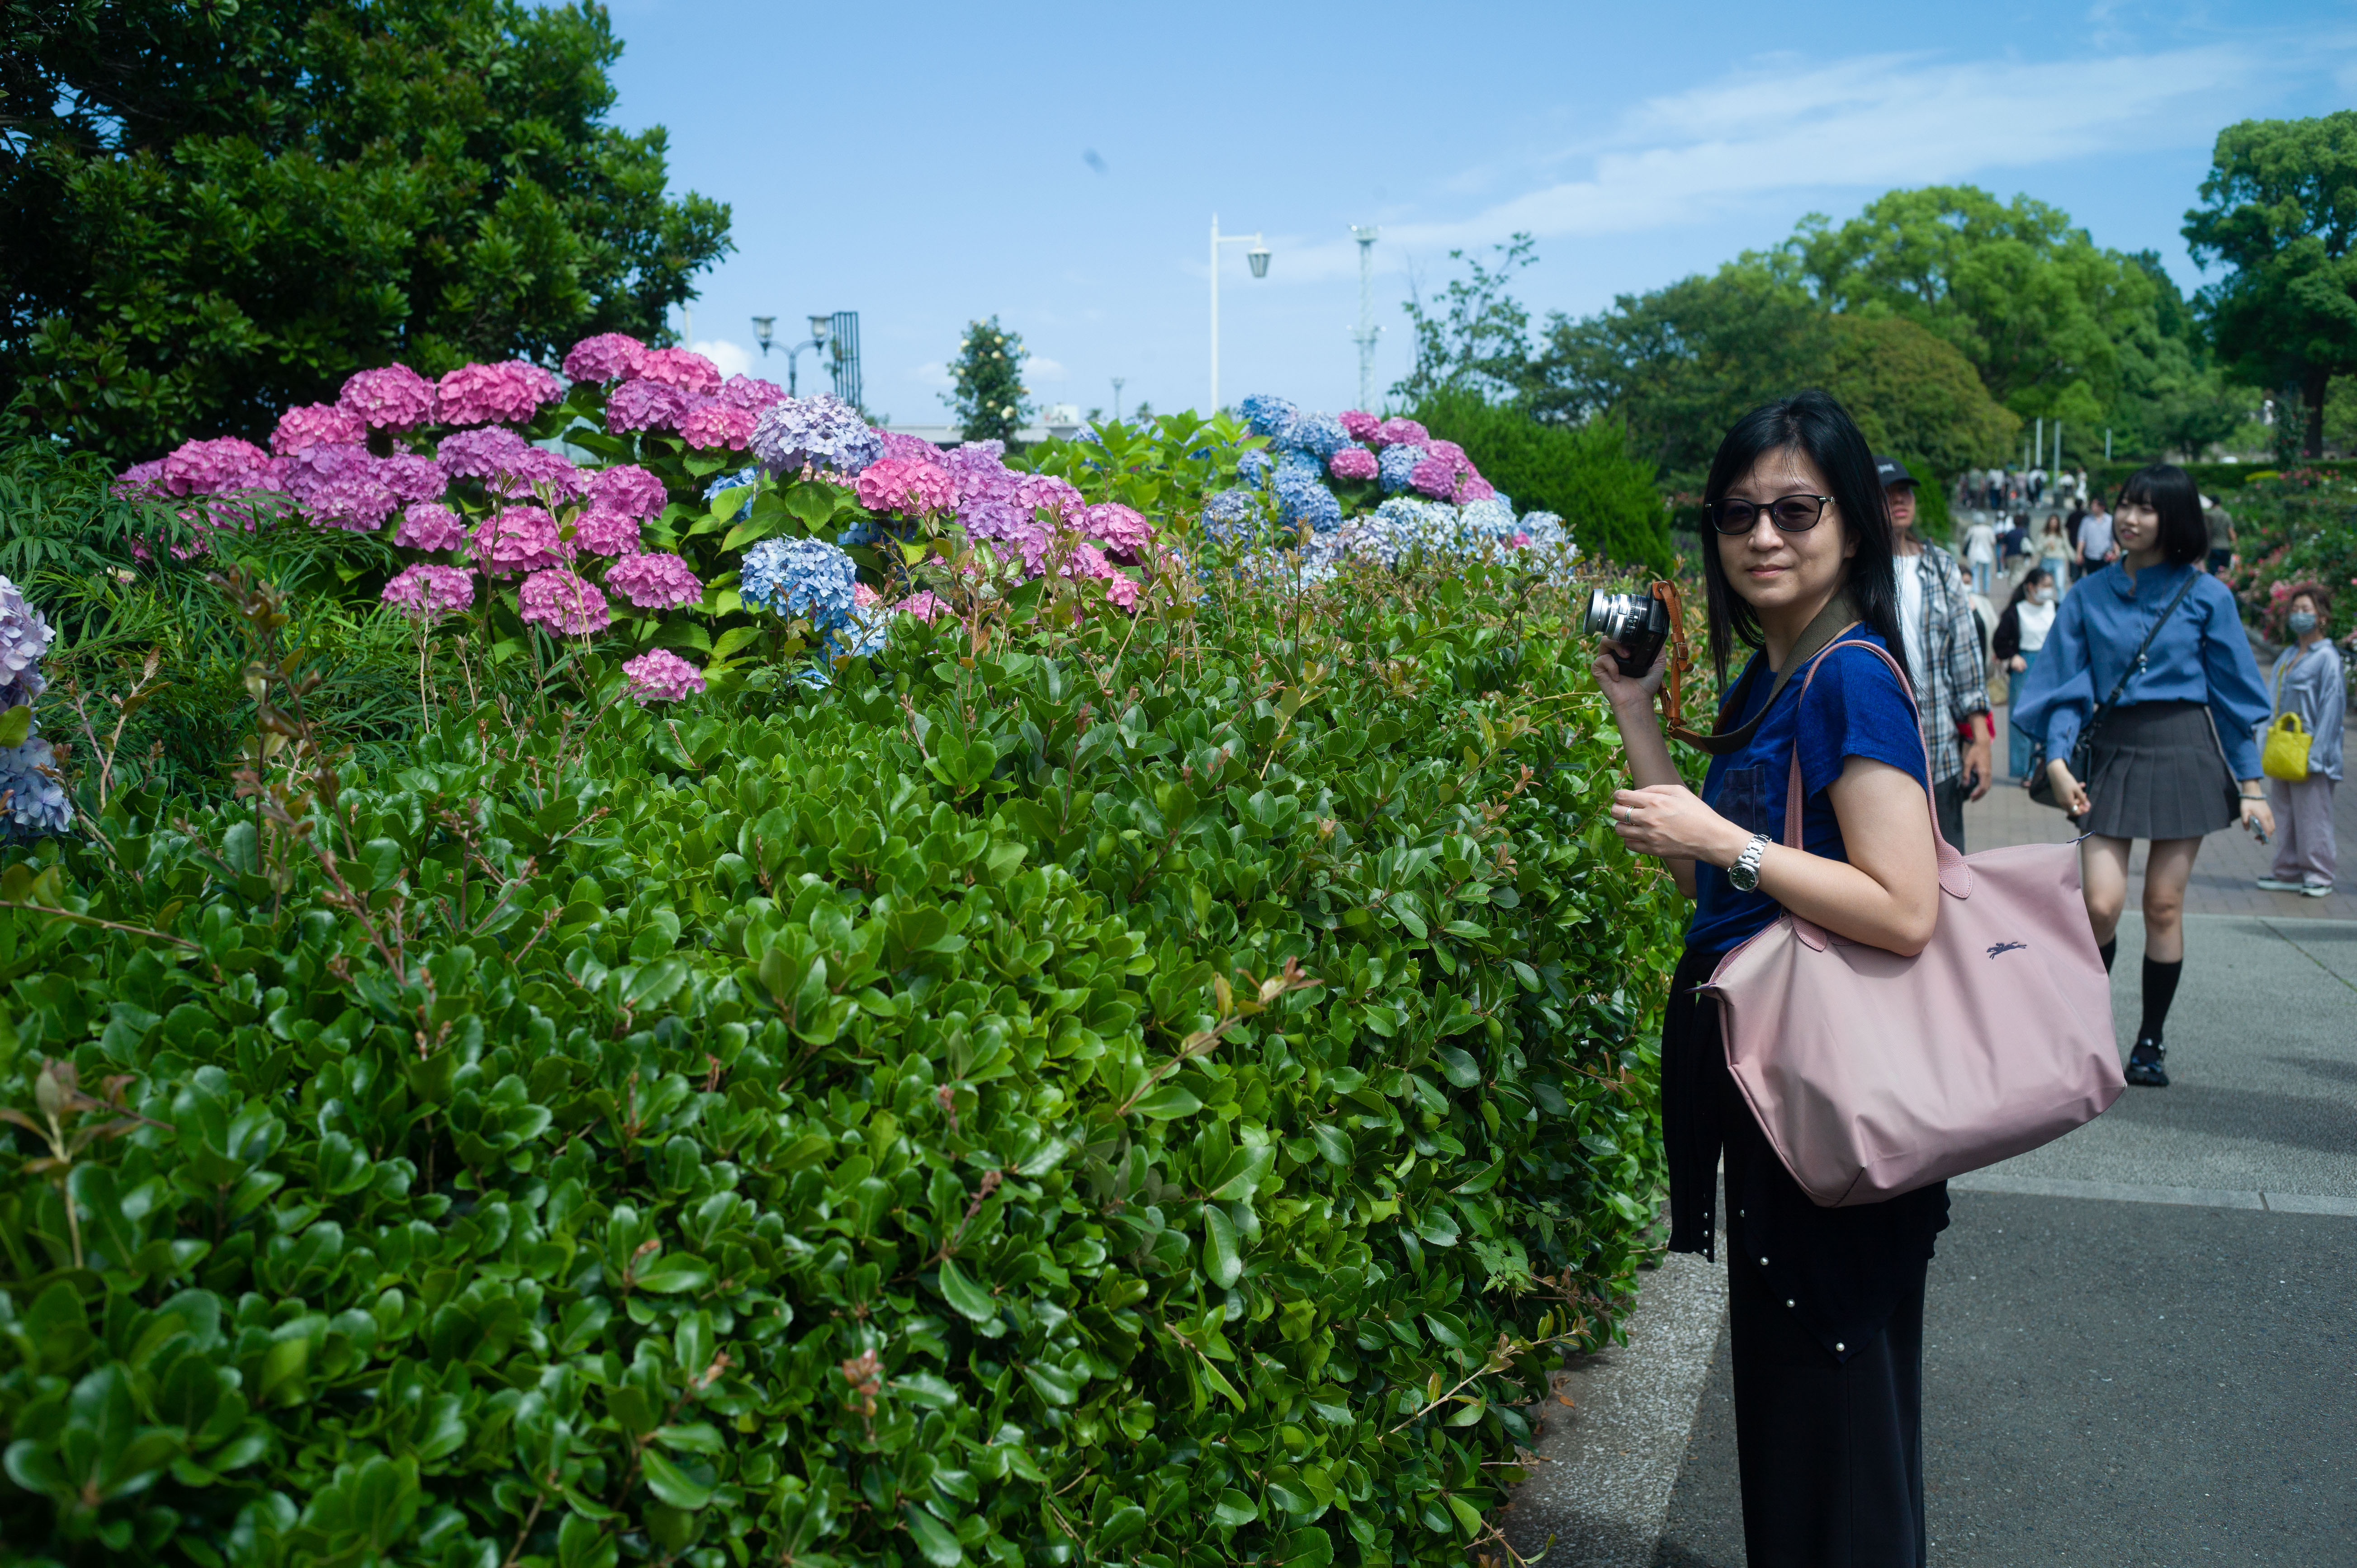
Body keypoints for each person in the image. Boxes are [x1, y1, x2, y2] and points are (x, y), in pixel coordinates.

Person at [1596, 389, 1946, 1566]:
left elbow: (1903, 907)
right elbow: (1709, 883)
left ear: (1851, 522)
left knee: (1832, 1401)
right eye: (1736, 513)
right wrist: (1635, 711)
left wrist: (1724, 841)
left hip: (1830, 1097)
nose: (1761, 535)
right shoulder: (1767, 678)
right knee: (1804, 1410)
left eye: (1794, 510)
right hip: (1776, 1086)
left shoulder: (1849, 677)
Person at [2012, 464, 2274, 1089]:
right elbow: (2066, 686)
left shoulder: (2208, 595)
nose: (2129, 518)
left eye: (2147, 508)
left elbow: (2232, 699)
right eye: (2126, 504)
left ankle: (2150, 1041)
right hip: (2112, 752)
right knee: (2100, 904)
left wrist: (2251, 785)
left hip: (2185, 750)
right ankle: (2085, 1031)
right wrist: (2056, 760)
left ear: (2174, 518)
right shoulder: (2088, 594)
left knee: (2162, 903)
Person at [1879, 455, 1994, 848]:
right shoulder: (1854, 571)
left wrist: (1980, 741)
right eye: (1886, 493)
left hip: (1940, 750)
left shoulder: (1941, 567)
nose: (1899, 500)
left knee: (1949, 866)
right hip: (1879, 753)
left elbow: (1966, 658)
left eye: (1904, 491)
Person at [2258, 583, 2343, 896]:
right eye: (2295, 610)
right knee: (2285, 813)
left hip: (2310, 750)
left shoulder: (2328, 658)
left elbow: (2332, 709)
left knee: (2313, 815)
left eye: (2306, 610)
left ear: (2322, 617)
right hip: (2284, 747)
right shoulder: (2289, 655)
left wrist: (2317, 755)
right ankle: (2288, 870)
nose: (2299, 616)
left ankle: (2319, 875)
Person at [1994, 567, 2059, 780]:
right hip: (2025, 668)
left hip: (2052, 668)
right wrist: (2012, 656)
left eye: (2051, 586)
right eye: (2044, 585)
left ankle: (2049, 770)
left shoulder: (2056, 608)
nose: (2048, 590)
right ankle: (2025, 771)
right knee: (2023, 720)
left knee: (2050, 719)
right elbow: (1999, 641)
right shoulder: (2016, 612)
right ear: (2031, 587)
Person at [1963, 511, 1998, 595]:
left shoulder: (1972, 529)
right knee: (1987, 573)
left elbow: (1966, 540)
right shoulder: (1988, 529)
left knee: (1975, 573)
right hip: (1986, 554)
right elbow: (1993, 542)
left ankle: (1976, 590)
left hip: (1975, 554)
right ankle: (1986, 590)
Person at [2078, 495, 2115, 569]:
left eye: (2095, 505)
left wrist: (2116, 552)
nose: (2092, 507)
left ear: (2102, 507)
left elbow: (2114, 538)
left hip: (2105, 557)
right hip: (2090, 556)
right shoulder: (2086, 521)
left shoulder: (2110, 520)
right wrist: (2079, 554)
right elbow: (2082, 538)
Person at [2038, 514, 2073, 593]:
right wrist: (2046, 544)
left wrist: (2074, 557)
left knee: (2060, 585)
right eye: (2052, 522)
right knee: (2044, 584)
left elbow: (2067, 546)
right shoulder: (2044, 533)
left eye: (2055, 522)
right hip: (2046, 559)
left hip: (2058, 560)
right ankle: (2043, 599)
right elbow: (2038, 548)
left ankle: (2062, 601)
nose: (2054, 524)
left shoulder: (2062, 533)